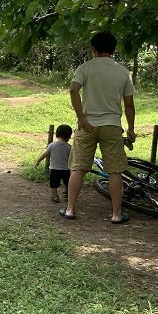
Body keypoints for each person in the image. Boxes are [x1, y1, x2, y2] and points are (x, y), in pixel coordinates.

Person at [61, 32, 136, 224]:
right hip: (112, 125)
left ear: (93, 49)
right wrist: (130, 128)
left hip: (87, 125)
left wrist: (81, 117)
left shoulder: (85, 68)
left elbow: (73, 89)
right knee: (115, 171)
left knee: (78, 168)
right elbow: (129, 105)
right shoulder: (122, 72)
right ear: (113, 49)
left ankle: (70, 210)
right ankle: (116, 214)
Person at [35, 124, 73, 203]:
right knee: (68, 182)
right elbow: (72, 158)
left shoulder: (52, 145)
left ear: (57, 134)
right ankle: (66, 194)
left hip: (54, 169)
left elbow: (45, 154)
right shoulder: (70, 147)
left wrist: (38, 161)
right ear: (69, 136)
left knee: (53, 184)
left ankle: (55, 196)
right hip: (66, 169)